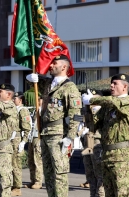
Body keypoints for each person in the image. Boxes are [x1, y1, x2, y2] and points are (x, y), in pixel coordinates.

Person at [26, 54, 82, 197]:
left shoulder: (70, 87)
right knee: (48, 173)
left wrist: (70, 137)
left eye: (54, 63)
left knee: (59, 173)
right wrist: (30, 78)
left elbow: (76, 114)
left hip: (58, 134)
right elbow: (35, 82)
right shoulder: (50, 84)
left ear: (64, 66)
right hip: (44, 132)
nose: (50, 65)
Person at [82, 74, 129, 197]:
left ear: (125, 87)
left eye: (115, 83)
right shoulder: (108, 108)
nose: (111, 86)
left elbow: (111, 100)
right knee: (109, 193)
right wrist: (87, 108)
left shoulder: (128, 102)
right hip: (106, 153)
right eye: (111, 83)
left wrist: (92, 99)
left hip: (121, 155)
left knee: (121, 193)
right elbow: (94, 126)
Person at [81, 89, 105, 197]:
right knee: (90, 174)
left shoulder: (102, 110)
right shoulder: (87, 109)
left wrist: (93, 105)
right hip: (87, 142)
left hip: (98, 142)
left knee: (99, 173)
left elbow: (98, 121)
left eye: (95, 98)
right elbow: (81, 119)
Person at [11, 92, 32, 196]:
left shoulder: (23, 110)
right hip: (10, 139)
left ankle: (17, 187)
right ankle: (11, 185)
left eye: (15, 98)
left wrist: (23, 142)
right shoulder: (13, 110)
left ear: (20, 100)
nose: (13, 99)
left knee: (16, 165)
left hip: (17, 140)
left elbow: (27, 128)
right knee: (10, 164)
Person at [24, 96, 43, 190]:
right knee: (31, 160)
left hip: (38, 137)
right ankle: (32, 180)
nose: (37, 101)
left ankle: (38, 181)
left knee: (37, 160)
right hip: (32, 137)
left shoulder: (43, 111)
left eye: (39, 99)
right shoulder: (35, 111)